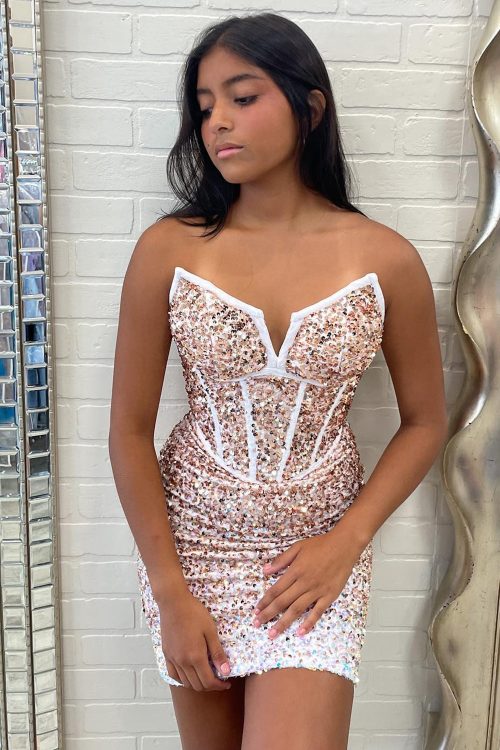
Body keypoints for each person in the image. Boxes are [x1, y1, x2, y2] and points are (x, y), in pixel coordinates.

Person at [109, 11, 448, 750]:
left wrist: (347, 542)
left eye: (243, 97)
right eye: (205, 107)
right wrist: (169, 592)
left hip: (315, 559)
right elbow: (129, 432)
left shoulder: (386, 259)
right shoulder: (169, 249)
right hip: (192, 550)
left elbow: (426, 421)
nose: (218, 122)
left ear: (310, 107)